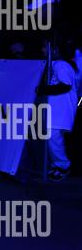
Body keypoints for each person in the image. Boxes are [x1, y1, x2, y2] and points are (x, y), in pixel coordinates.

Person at [37, 38, 81, 181]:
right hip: (57, 109)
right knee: (52, 138)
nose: (43, 50)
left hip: (61, 109)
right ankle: (58, 164)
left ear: (55, 50)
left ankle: (63, 165)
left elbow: (65, 86)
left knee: (53, 138)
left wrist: (43, 89)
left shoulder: (61, 64)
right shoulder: (56, 64)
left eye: (45, 47)